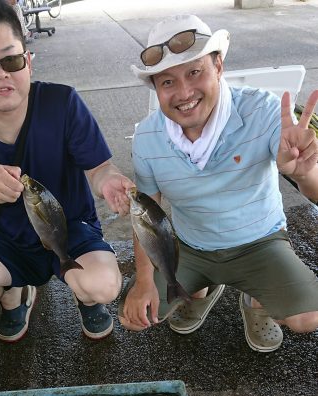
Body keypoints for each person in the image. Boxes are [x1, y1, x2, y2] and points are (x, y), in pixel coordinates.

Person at [0, 0, 133, 342]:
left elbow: (99, 168)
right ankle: (16, 289)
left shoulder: (62, 103)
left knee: (104, 285)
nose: (1, 74)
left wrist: (109, 180)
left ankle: (85, 297)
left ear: (28, 62)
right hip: (9, 239)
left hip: (69, 231)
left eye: (11, 59)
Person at [120, 14, 318, 353]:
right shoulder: (147, 139)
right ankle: (202, 288)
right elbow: (145, 219)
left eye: (195, 72)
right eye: (166, 82)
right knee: (133, 317)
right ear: (156, 88)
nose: (183, 93)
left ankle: (256, 298)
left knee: (308, 317)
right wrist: (142, 282)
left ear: (219, 66)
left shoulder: (264, 110)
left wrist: (302, 173)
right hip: (190, 247)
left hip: (259, 243)